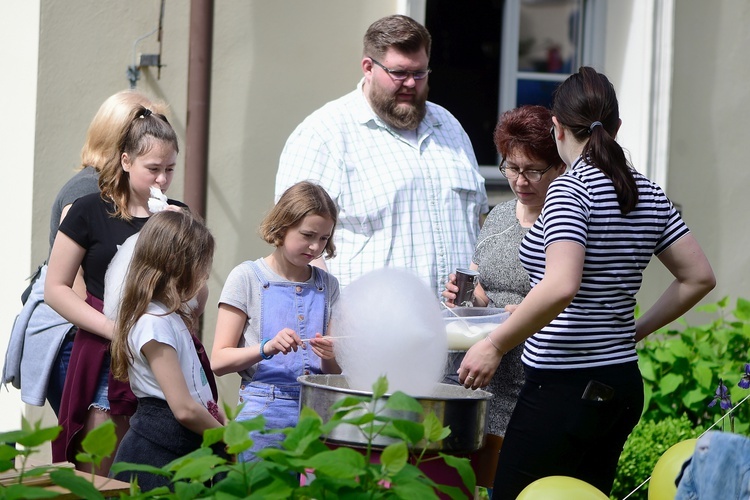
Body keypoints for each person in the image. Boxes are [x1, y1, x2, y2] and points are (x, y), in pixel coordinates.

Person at [457, 66, 716, 499]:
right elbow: (698, 277)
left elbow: (561, 285)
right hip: (620, 384)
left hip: (562, 387)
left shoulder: (569, 192)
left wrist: (494, 344)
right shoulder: (648, 192)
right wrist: (633, 332)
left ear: (556, 128)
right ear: (615, 128)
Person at [275, 14, 488, 297]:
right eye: (399, 73)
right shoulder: (324, 134)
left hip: (458, 331)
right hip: (367, 331)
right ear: (368, 67)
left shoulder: (449, 127)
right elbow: (294, 244)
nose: (411, 84)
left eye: (420, 73)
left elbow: (480, 223)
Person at [3, 91, 165, 416]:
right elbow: (75, 287)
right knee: (94, 461)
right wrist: (123, 333)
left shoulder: (129, 190)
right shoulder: (88, 191)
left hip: (105, 335)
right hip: (74, 336)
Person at [45, 105, 186, 474]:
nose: (162, 180)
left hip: (160, 354)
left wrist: (177, 234)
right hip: (104, 350)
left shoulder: (178, 215)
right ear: (126, 161)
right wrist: (115, 330)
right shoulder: (89, 210)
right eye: (152, 169)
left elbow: (193, 296)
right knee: (100, 472)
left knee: (151, 470)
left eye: (169, 169)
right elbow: (56, 288)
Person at [442, 105, 565, 440]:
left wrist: (522, 313)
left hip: (537, 383)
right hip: (487, 379)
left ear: (560, 165)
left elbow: (569, 298)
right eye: (512, 168)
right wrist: (466, 296)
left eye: (533, 171)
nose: (520, 181)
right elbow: (484, 291)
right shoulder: (499, 215)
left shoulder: (566, 221)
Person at [211, 181, 340, 462]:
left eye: (324, 238)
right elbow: (218, 361)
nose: (315, 246)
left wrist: (329, 356)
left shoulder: (328, 285)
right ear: (282, 227)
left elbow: (334, 371)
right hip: (262, 414)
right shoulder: (246, 277)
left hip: (316, 416)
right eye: (307, 235)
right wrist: (265, 348)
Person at [109, 210, 224, 491]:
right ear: (175, 264)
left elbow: (196, 390)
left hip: (179, 451)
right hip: (155, 458)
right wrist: (229, 437)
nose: (205, 274)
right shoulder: (153, 324)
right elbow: (184, 408)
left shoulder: (169, 316)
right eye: (201, 264)